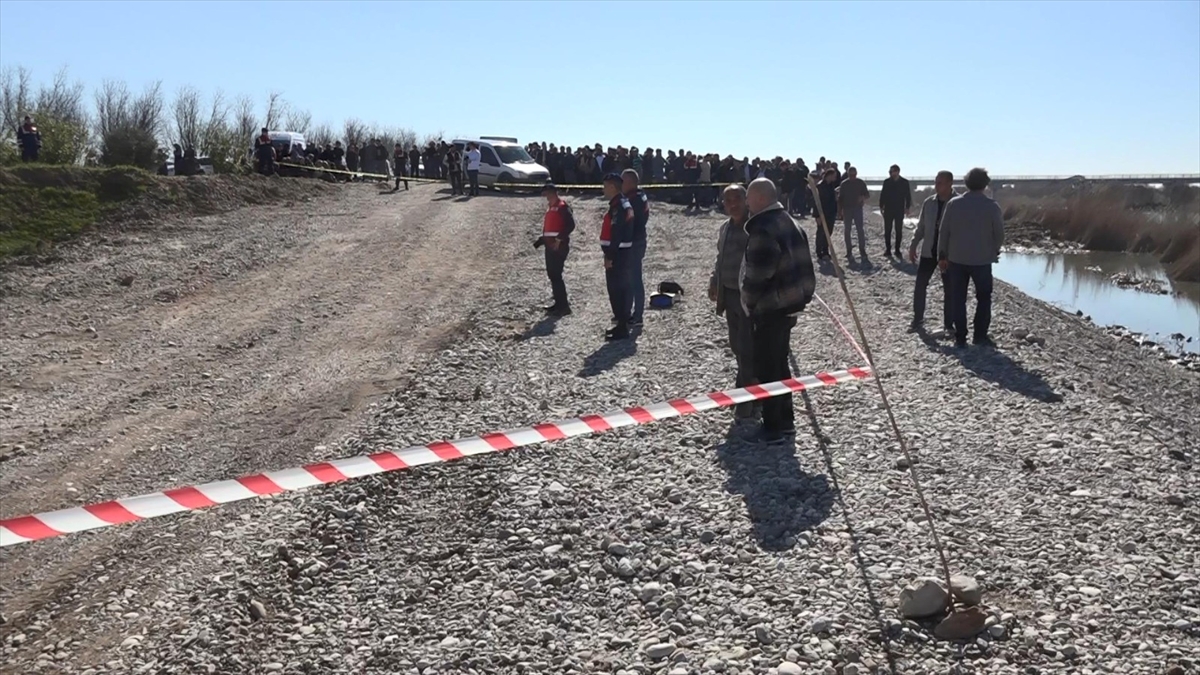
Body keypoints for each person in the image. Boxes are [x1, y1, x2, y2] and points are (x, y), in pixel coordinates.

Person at [739, 178, 816, 443]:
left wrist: (748, 303)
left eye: (748, 197)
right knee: (780, 364)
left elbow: (757, 275)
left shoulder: (764, 229)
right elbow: (807, 268)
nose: (746, 203)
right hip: (790, 306)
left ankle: (773, 427)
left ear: (760, 199)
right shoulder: (791, 222)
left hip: (771, 307)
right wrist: (802, 298)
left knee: (768, 366)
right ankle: (785, 421)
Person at [938, 167, 1005, 349]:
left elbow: (944, 232)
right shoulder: (992, 206)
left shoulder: (954, 204)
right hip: (982, 260)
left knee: (958, 298)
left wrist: (942, 255)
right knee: (984, 298)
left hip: (956, 259)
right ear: (985, 184)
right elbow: (999, 234)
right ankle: (980, 336)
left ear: (966, 183)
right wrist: (995, 249)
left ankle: (960, 337)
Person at [708, 184, 760, 421]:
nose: (732, 204)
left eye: (737, 198)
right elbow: (720, 258)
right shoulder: (725, 229)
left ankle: (748, 399)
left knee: (749, 348)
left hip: (748, 298)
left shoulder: (755, 228)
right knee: (737, 346)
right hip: (729, 295)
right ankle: (745, 388)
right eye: (728, 200)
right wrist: (714, 281)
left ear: (746, 200)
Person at [908, 170, 956, 334]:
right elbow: (921, 227)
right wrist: (914, 245)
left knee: (950, 289)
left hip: (949, 255)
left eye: (940, 182)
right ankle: (917, 320)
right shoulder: (929, 203)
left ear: (950, 183)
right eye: (936, 182)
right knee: (920, 285)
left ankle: (949, 325)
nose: (936, 185)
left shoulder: (958, 203)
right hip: (928, 251)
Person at [600, 172, 636, 341]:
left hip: (619, 254)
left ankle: (622, 327)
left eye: (605, 186)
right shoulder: (623, 203)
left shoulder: (619, 206)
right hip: (623, 253)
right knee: (620, 290)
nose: (603, 189)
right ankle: (621, 325)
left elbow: (616, 233)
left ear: (613, 187)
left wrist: (609, 256)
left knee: (616, 290)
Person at [533, 182, 576, 315]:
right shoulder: (552, 207)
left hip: (558, 246)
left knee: (556, 275)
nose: (545, 196)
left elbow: (570, 225)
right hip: (550, 245)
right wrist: (541, 241)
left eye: (546, 193)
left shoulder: (562, 207)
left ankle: (563, 306)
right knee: (553, 275)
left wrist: (559, 239)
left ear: (552, 193)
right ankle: (559, 303)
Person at [621, 168, 650, 326]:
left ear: (630, 182)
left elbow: (632, 223)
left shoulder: (635, 199)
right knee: (630, 279)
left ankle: (637, 316)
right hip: (635, 241)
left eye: (623, 181)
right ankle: (629, 313)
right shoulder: (638, 195)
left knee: (635, 279)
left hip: (634, 242)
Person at [836, 166, 870, 262]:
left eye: (854, 175)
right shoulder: (844, 184)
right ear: (848, 174)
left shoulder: (860, 183)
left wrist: (862, 197)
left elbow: (867, 195)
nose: (852, 177)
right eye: (851, 175)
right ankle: (849, 250)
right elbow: (840, 199)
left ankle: (862, 250)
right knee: (847, 230)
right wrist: (839, 211)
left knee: (860, 230)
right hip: (847, 209)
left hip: (857, 208)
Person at [880, 164, 913, 257]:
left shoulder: (904, 182)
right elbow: (883, 195)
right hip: (888, 209)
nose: (891, 173)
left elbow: (908, 196)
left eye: (893, 171)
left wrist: (907, 207)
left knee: (898, 230)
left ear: (898, 172)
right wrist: (881, 206)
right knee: (887, 230)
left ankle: (897, 249)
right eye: (890, 172)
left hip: (899, 209)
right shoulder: (887, 182)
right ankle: (888, 249)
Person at [814, 168, 839, 260]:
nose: (835, 178)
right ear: (829, 175)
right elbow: (816, 201)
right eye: (834, 176)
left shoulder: (831, 185)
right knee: (821, 233)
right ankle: (819, 252)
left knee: (829, 233)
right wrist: (817, 216)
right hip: (822, 213)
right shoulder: (820, 186)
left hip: (831, 213)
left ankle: (825, 251)